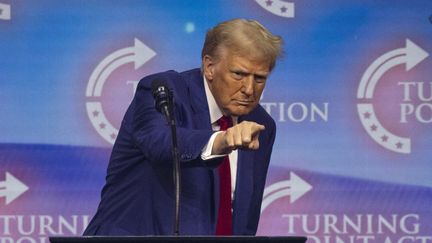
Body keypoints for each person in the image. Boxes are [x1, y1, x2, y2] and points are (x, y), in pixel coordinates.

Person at [84, 18, 283, 236]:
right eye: (239, 74)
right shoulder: (163, 92)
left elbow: (244, 216)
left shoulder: (261, 125)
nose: (249, 89)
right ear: (209, 67)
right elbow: (160, 143)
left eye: (260, 78)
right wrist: (221, 141)